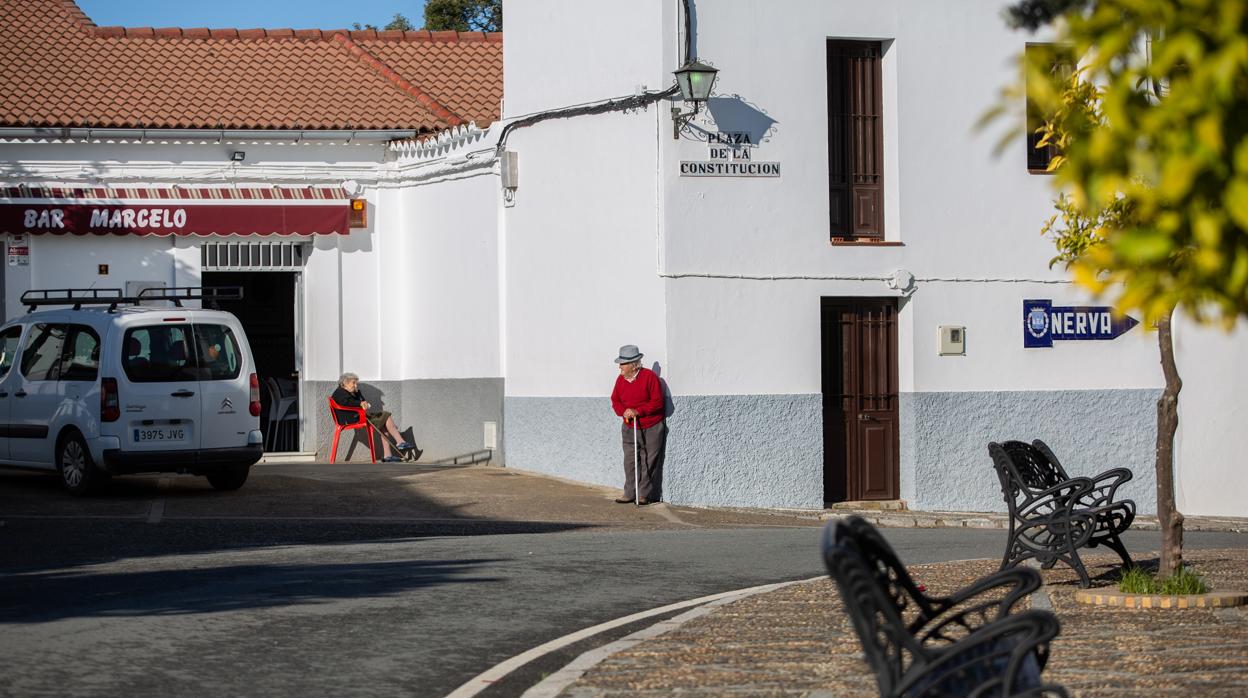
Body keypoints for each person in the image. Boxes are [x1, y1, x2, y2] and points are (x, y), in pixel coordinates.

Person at [609, 344, 666, 505]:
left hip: (651, 426)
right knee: (630, 460)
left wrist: (638, 411)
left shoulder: (650, 377)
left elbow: (657, 402)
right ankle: (629, 493)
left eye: (623, 363)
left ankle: (643, 495)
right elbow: (615, 400)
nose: (619, 366)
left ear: (633, 365)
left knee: (648, 460)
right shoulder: (620, 380)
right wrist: (624, 411)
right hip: (629, 426)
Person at [330, 372, 419, 463]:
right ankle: (400, 442)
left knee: (384, 420)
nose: (356, 385)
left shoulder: (351, 391)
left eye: (356, 383)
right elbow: (345, 403)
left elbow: (363, 401)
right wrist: (359, 403)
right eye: (353, 383)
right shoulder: (340, 392)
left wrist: (358, 394)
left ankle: (389, 454)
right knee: (385, 415)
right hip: (351, 418)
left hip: (358, 416)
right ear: (345, 382)